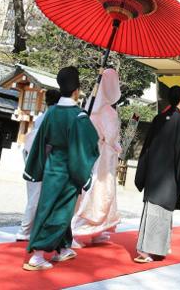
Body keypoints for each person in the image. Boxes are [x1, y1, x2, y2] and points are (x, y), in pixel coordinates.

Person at [22, 67, 100, 271]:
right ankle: (38, 254)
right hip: (69, 169)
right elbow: (89, 144)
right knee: (61, 212)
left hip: (51, 166)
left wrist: (35, 169)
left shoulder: (52, 112)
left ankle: (63, 248)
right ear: (77, 90)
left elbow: (40, 141)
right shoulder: (78, 116)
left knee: (49, 206)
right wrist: (84, 175)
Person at [133, 85, 180, 264]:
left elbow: (145, 148)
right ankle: (148, 249)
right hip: (169, 177)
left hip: (154, 175)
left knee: (152, 210)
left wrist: (143, 174)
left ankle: (153, 247)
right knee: (162, 211)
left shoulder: (157, 119)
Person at [71, 69, 122, 247]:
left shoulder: (91, 107)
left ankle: (95, 229)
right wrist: (116, 145)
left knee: (93, 192)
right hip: (103, 158)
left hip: (93, 155)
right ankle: (77, 231)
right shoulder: (108, 111)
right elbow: (111, 136)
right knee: (98, 193)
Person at [16, 88, 61, 242]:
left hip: (32, 156)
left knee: (33, 196)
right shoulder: (52, 116)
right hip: (41, 160)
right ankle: (25, 230)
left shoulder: (41, 117)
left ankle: (30, 228)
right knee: (36, 198)